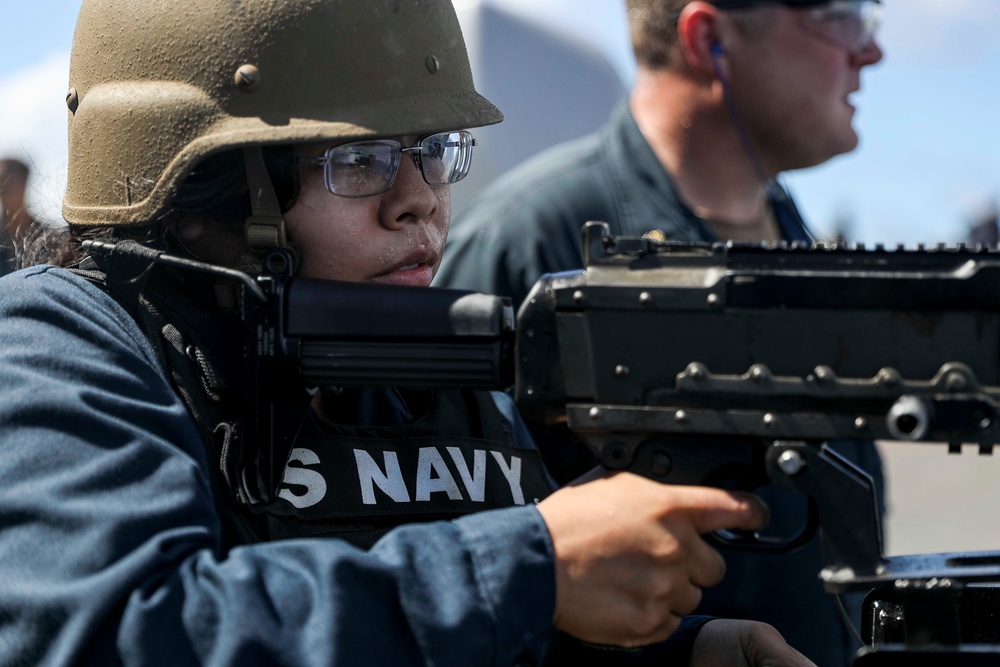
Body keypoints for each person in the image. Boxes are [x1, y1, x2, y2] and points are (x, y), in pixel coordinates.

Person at [0, 1, 817, 665]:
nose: (420, 199)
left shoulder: (410, 363)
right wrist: (529, 570)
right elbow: (115, 634)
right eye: (360, 162)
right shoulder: (61, 345)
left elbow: (475, 634)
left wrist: (679, 653)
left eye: (434, 151)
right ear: (208, 189)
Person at [435, 1, 886, 665]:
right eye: (834, 15)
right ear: (708, 37)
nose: (868, 51)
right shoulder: (529, 245)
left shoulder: (796, 239)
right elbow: (458, 572)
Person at [0, 157, 35, 275]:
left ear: (24, 184)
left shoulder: (48, 238)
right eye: (1, 180)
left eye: (10, 180)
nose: (4, 187)